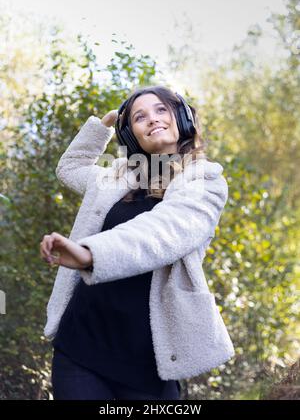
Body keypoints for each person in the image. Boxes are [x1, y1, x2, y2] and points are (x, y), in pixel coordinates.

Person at [41, 85, 234, 400]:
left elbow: (161, 232)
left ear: (183, 118)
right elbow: (71, 169)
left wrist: (91, 253)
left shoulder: (205, 182)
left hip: (146, 362)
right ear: (131, 136)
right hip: (80, 346)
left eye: (160, 110)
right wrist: (103, 126)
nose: (152, 119)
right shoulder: (117, 177)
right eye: (138, 117)